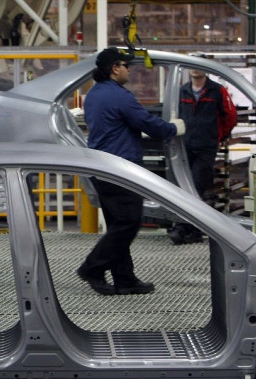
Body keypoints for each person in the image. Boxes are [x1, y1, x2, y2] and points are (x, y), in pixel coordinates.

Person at [77, 47, 185, 296]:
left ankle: (124, 279)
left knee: (117, 224)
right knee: (129, 222)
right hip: (120, 169)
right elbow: (145, 122)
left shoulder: (93, 95)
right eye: (127, 66)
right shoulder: (119, 96)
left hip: (101, 167)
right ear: (115, 68)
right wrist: (172, 129)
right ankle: (91, 267)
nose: (129, 71)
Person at [168, 59, 237, 245]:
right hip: (184, 146)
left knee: (196, 186)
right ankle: (191, 229)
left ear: (205, 69)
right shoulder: (182, 90)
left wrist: (218, 135)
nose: (195, 68)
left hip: (206, 147)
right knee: (183, 187)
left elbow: (230, 116)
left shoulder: (217, 90)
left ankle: (184, 228)